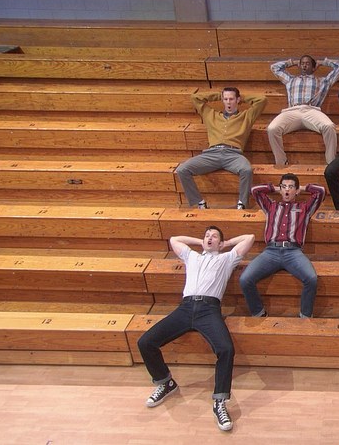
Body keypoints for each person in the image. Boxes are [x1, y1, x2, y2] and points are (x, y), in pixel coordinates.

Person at [137, 226, 255, 432]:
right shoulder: (191, 256)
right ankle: (166, 383)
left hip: (209, 310)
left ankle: (219, 402)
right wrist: (200, 242)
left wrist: (225, 244)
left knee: (226, 349)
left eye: (214, 236)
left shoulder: (227, 259)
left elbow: (249, 237)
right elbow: (174, 239)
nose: (209, 238)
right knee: (145, 342)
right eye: (207, 235)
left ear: (220, 242)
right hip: (185, 308)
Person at [239, 173, 325, 318]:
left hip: (293, 252)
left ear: (296, 191)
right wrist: (274, 188)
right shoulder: (270, 206)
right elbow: (254, 190)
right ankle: (258, 313)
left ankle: (305, 316)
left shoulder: (304, 207)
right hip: (270, 252)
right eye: (284, 187)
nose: (287, 190)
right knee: (244, 279)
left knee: (311, 279)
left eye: (291, 187)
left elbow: (321, 191)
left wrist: (303, 188)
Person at [178, 87, 267, 210]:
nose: (228, 102)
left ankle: (242, 204)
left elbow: (262, 100)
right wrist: (218, 95)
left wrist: (242, 98)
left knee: (246, 170)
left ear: (237, 100)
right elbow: (195, 98)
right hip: (211, 154)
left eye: (231, 99)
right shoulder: (211, 114)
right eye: (225, 99)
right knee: (182, 169)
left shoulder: (246, 116)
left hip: (233, 154)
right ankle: (199, 202)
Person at [268, 55, 339, 166]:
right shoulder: (290, 79)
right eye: (302, 63)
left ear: (314, 67)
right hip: (292, 111)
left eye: (308, 63)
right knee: (272, 129)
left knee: (329, 126)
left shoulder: (323, 81)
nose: (304, 66)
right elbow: (274, 67)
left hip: (312, 110)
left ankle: (331, 163)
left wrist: (322, 62)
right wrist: (293, 62)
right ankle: (281, 162)